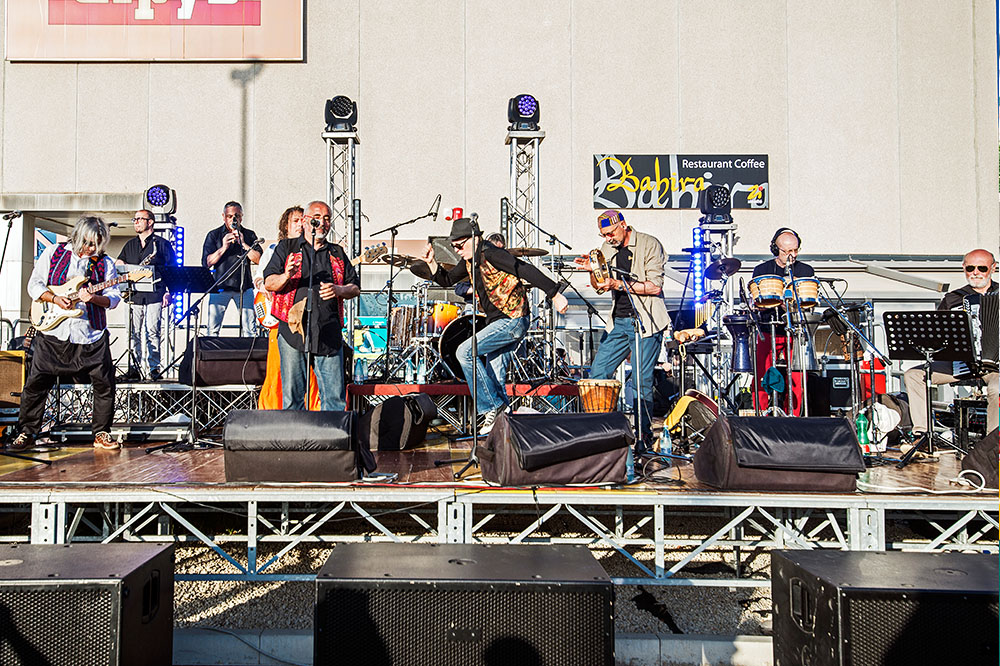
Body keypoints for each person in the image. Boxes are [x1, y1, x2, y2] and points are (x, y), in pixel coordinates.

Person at [418, 217, 569, 434]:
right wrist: (432, 263)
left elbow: (525, 269)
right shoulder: (470, 260)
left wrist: (554, 294)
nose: (458, 251)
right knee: (495, 378)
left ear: (475, 238)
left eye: (460, 245)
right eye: (454, 247)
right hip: (498, 321)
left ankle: (492, 406)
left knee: (465, 352)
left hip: (513, 319)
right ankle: (502, 429)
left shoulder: (492, 253)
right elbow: (447, 280)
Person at [11, 216, 121, 451]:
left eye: (97, 244)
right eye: (89, 243)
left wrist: (93, 298)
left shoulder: (105, 263)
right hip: (53, 333)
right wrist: (54, 298)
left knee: (104, 384)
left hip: (90, 334)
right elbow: (35, 285)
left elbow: (113, 298)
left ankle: (101, 432)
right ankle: (27, 432)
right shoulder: (53, 253)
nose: (92, 248)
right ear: (79, 236)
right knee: (36, 383)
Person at [574, 209, 671, 448]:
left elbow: (655, 287)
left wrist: (617, 282)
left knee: (640, 381)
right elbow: (601, 284)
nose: (608, 239)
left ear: (623, 225)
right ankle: (604, 431)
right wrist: (592, 270)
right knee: (598, 372)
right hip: (618, 321)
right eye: (604, 234)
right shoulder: (607, 248)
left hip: (645, 322)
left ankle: (644, 437)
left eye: (611, 233)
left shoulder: (649, 244)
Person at [263, 200, 360, 411]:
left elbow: (355, 287)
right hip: (292, 331)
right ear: (307, 221)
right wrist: (286, 275)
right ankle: (294, 442)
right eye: (318, 217)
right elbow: (269, 282)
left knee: (334, 399)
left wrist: (338, 290)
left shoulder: (336, 253)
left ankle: (332, 442)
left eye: (327, 218)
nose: (323, 222)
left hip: (328, 331)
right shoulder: (287, 248)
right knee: (293, 399)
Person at [903, 249, 998, 437]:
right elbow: (937, 335)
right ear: (964, 268)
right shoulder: (953, 299)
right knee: (913, 375)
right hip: (960, 364)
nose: (975, 272)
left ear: (993, 269)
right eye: (970, 268)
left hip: (995, 367)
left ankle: (993, 443)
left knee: (998, 388)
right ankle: (923, 433)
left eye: (982, 268)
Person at [254, 206, 319, 411]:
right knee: (277, 369)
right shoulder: (275, 250)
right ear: (286, 226)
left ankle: (313, 410)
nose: (300, 225)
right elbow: (259, 280)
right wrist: (268, 288)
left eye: (303, 220)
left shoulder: (313, 251)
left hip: (305, 320)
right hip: (280, 320)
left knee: (309, 370)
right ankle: (273, 410)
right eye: (295, 221)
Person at [750, 227, 815, 416]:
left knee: (796, 377)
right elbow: (757, 300)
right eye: (787, 251)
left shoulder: (805, 270)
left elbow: (808, 300)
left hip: (795, 330)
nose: (791, 255)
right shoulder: (762, 270)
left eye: (795, 250)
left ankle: (793, 416)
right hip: (768, 328)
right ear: (775, 249)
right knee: (761, 374)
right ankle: (760, 414)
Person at [115, 209, 176, 380]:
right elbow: (120, 263)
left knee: (152, 331)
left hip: (155, 293)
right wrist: (120, 265)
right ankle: (134, 367)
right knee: (133, 332)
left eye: (140, 219)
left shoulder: (162, 244)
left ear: (150, 222)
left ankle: (153, 368)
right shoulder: (130, 245)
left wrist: (169, 292)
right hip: (133, 294)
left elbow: (172, 271)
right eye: (135, 219)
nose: (136, 222)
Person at [202, 201, 261, 336]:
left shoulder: (249, 235)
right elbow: (206, 262)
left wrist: (244, 244)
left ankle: (250, 356)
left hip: (244, 287)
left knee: (250, 329)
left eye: (237, 216)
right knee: (213, 328)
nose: (233, 219)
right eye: (229, 216)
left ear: (241, 217)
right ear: (223, 217)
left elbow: (258, 259)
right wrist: (223, 247)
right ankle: (213, 355)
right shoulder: (214, 235)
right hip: (220, 286)